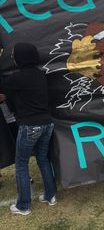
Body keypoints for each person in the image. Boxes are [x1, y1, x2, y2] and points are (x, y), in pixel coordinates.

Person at [1, 43, 57, 215]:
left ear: (20, 58)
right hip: (47, 123)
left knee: (21, 165)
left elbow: (2, 88)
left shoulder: (17, 78)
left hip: (30, 126)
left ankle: (23, 206)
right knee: (43, 159)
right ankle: (51, 196)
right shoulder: (40, 74)